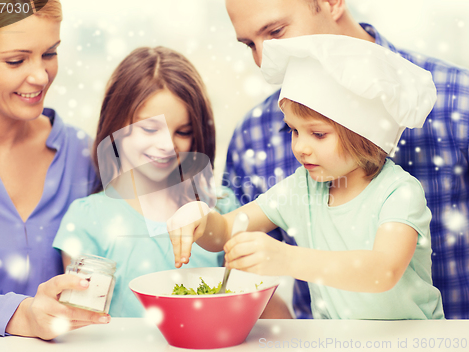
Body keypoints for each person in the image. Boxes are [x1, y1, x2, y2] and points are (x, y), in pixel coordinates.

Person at [169, 34, 445, 320]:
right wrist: (199, 217)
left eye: (318, 134)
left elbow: (383, 271)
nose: (300, 147)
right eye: (294, 130)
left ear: (363, 133)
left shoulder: (399, 193)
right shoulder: (302, 188)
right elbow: (226, 230)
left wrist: (287, 259)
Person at [222, 0, 469, 319]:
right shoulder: (254, 136)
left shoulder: (459, 104)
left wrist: (288, 258)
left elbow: (383, 269)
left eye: (276, 31)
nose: (262, 60)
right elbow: (235, 253)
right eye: (248, 45)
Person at [52, 46, 241, 317]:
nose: (167, 145)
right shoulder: (87, 218)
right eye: (150, 128)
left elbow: (246, 303)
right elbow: (82, 321)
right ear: (116, 125)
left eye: (183, 131)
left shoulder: (220, 207)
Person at [0, 0, 109, 339]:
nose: (40, 75)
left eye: (50, 54)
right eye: (16, 60)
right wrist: (19, 315)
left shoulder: (84, 156)